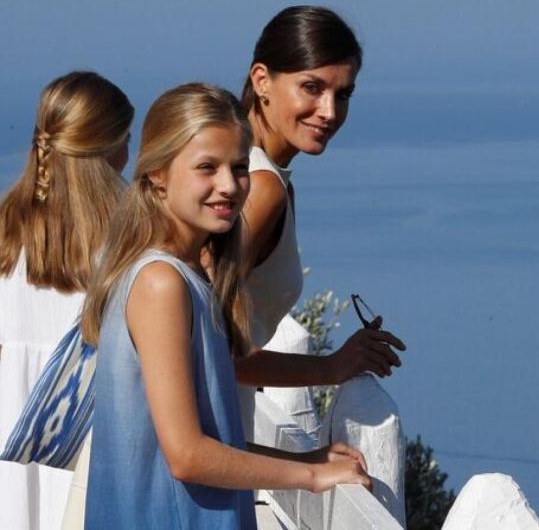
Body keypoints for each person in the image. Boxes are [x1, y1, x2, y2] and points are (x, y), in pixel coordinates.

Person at [78, 83, 370, 528]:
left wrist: (306, 456)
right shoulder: (161, 283)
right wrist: (310, 475)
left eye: (239, 167)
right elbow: (187, 455)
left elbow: (211, 439)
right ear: (157, 173)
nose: (229, 186)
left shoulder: (182, 275)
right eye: (206, 168)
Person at [233, 6, 406, 438]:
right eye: (312, 87)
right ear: (262, 81)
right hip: (204, 438)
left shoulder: (238, 171)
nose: (329, 111)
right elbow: (211, 352)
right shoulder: (261, 188)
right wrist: (331, 367)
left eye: (342, 94)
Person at [0, 71, 133, 530]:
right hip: (88, 426)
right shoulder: (129, 239)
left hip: (8, 428)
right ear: (110, 149)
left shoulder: (5, 228)